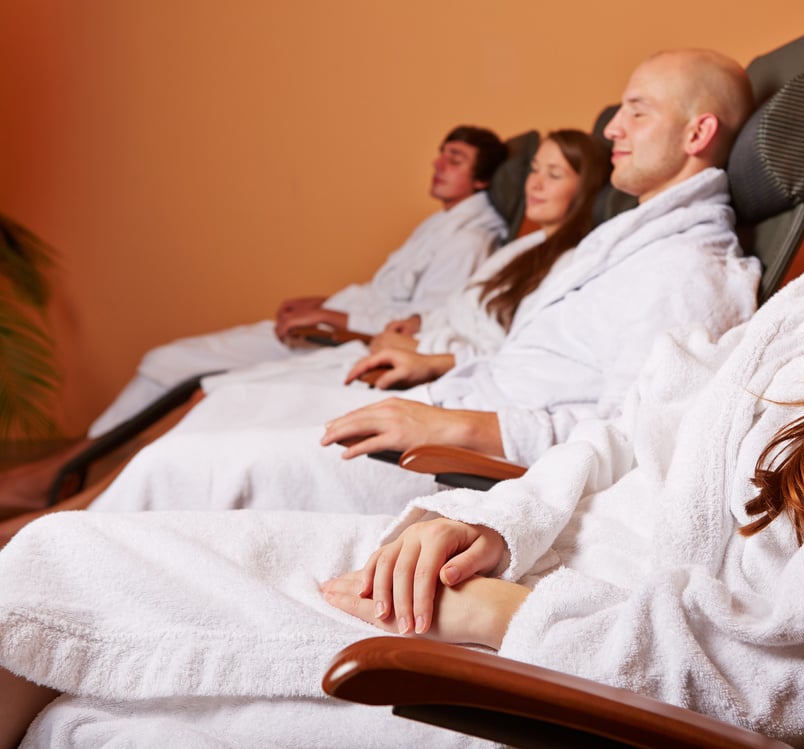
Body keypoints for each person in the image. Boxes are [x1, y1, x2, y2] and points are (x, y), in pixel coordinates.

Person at [5, 11, 804, 745]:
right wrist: (501, 526)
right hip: (538, 580)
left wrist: (508, 613)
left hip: (579, 674)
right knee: (58, 556)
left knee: (81, 714)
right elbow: (634, 428)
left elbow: (784, 672)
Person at [75, 48, 760, 518]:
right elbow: (531, 358)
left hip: (467, 457)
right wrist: (436, 373)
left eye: (637, 110)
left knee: (185, 467)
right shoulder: (626, 247)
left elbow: (632, 443)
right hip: (446, 403)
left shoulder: (689, 275)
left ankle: (44, 545)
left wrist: (444, 419)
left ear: (698, 130)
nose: (614, 125)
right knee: (218, 415)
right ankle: (57, 523)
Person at [0, 125, 510, 515]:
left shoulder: (470, 240)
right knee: (191, 383)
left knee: (195, 384)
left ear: (483, 178)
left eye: (456, 159)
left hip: (351, 347)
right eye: (441, 152)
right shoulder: (443, 227)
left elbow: (413, 323)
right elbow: (394, 300)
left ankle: (75, 485)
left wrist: (330, 316)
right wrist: (320, 302)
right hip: (344, 332)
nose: (438, 163)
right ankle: (74, 477)